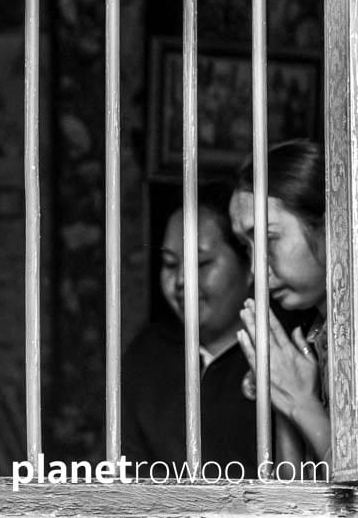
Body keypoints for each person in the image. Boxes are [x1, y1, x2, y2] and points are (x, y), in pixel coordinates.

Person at [123, 182, 259, 476]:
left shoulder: (284, 352)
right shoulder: (148, 354)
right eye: (171, 264)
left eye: (201, 263)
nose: (182, 279)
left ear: (250, 265)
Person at [232, 139, 330, 463]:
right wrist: (283, 398)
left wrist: (302, 404)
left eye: (268, 239)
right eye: (247, 247)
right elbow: (294, 497)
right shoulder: (315, 335)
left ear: (330, 225)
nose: (256, 269)